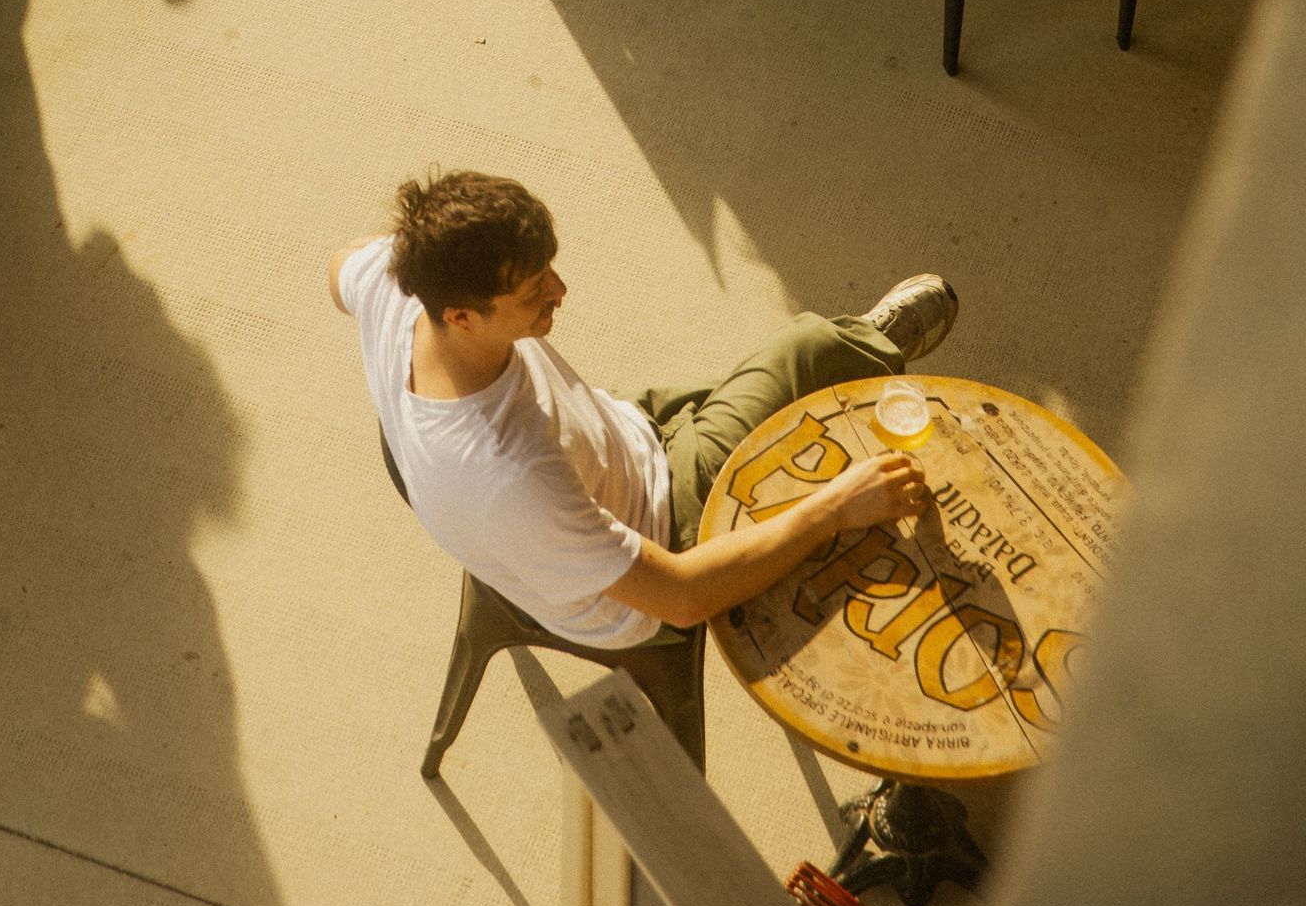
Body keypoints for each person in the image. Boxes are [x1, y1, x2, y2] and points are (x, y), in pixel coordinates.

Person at [333, 171, 954, 647]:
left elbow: (340, 266)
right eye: (532, 291)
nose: (559, 290)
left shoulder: (400, 277)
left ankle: (853, 358)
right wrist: (838, 508)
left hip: (612, 434)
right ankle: (865, 350)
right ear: (462, 316)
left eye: (548, 268)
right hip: (658, 535)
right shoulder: (513, 477)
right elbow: (681, 598)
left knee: (789, 393)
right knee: (807, 350)